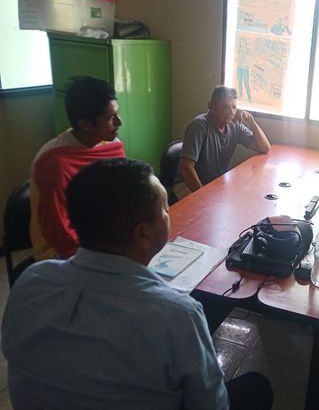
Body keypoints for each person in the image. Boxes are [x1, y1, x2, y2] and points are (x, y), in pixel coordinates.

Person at [2, 158, 273, 410]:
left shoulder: (31, 281)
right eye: (165, 209)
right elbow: (211, 405)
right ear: (142, 233)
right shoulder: (177, 314)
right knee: (256, 387)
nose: (169, 213)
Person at [29, 75, 125, 260]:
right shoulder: (53, 163)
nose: (119, 122)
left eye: (117, 114)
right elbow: (60, 232)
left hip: (100, 236)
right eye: (110, 117)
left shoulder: (109, 145)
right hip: (58, 250)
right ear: (85, 125)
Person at [174, 85, 271, 200]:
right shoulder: (199, 126)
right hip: (189, 185)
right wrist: (201, 197)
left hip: (213, 183)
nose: (231, 112)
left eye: (234, 107)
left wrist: (250, 120)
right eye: (225, 107)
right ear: (211, 107)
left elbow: (264, 147)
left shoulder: (235, 125)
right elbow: (186, 166)